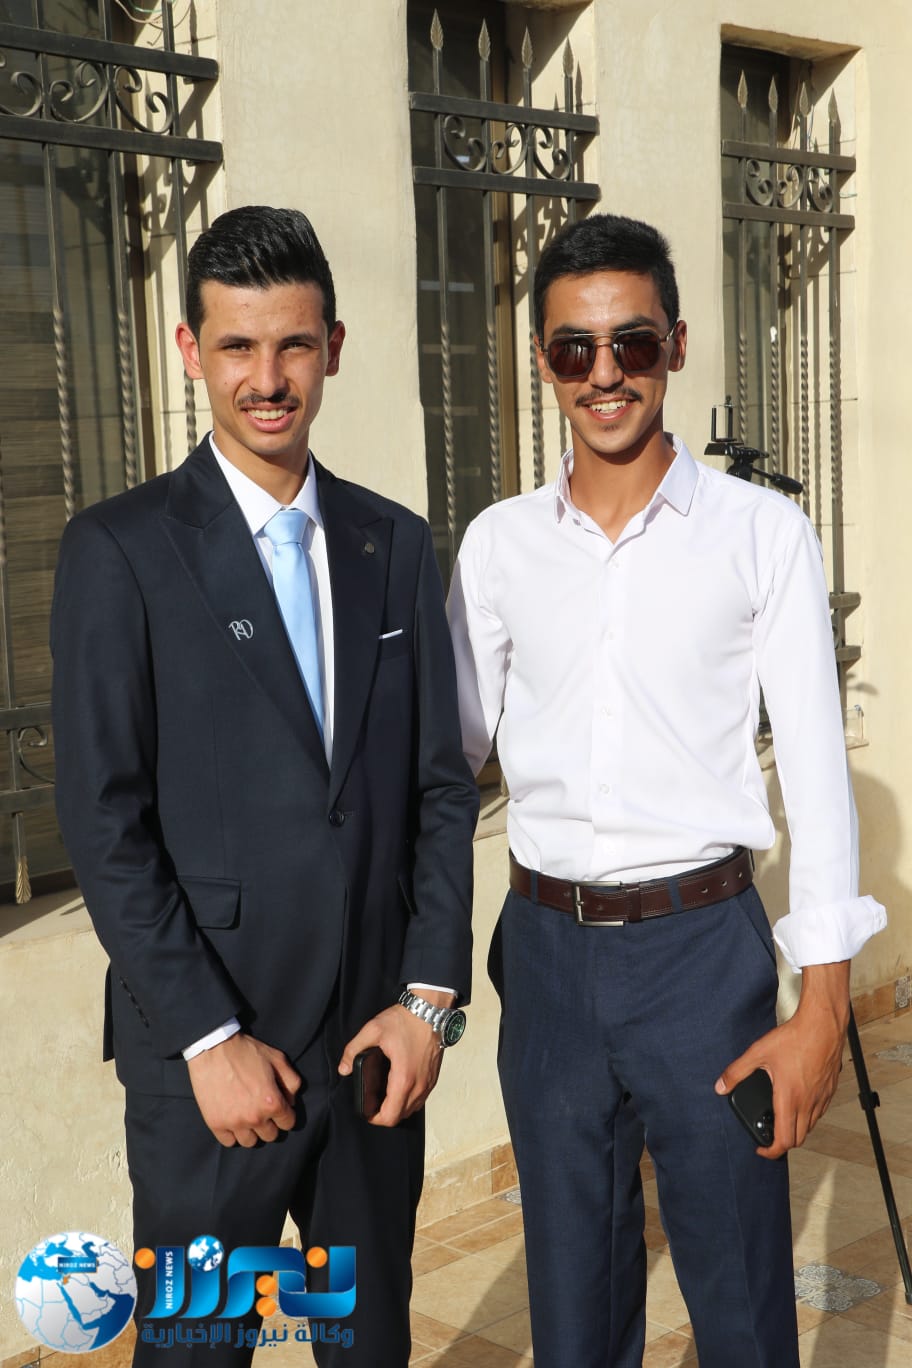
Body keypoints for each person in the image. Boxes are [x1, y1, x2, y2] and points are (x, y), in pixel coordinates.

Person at [447, 212, 886, 1367]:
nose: (605, 374)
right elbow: (443, 770)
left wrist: (822, 1012)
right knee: (573, 1316)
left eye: (632, 344)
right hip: (544, 961)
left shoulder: (761, 534)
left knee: (741, 1306)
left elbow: (818, 780)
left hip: (703, 958)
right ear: (542, 361)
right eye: (574, 349)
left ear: (676, 346)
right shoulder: (497, 548)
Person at [51, 205, 478, 1368]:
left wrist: (428, 1003)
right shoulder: (121, 550)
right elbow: (104, 820)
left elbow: (440, 789)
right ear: (190, 349)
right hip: (212, 1075)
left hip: (373, 1059)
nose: (268, 378)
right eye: (237, 346)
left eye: (292, 344)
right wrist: (207, 1038)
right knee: (199, 1347)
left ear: (332, 346)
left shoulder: (396, 545)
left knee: (367, 1345)